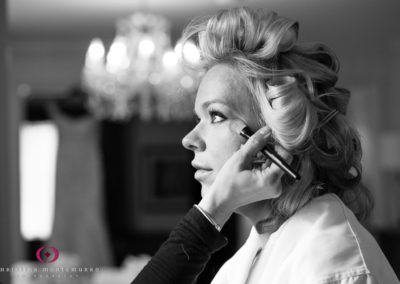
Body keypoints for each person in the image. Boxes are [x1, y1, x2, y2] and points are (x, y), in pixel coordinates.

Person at [131, 7, 400, 284]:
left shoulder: (330, 263)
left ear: (274, 139)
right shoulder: (238, 265)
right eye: (199, 118)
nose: (189, 139)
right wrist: (212, 209)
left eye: (216, 115)